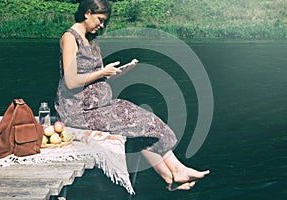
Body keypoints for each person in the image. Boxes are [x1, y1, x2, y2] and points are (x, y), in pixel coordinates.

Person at [54, 0, 209, 191]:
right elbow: (70, 82)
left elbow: (92, 78)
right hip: (80, 112)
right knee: (142, 122)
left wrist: (116, 73)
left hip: (99, 105)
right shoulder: (70, 38)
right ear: (87, 13)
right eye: (100, 20)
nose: (101, 25)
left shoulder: (90, 38)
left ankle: (171, 176)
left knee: (141, 118)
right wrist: (102, 73)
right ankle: (177, 170)